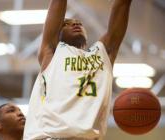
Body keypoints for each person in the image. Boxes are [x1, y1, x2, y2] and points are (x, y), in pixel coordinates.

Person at [24, 0, 132, 139]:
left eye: (79, 23)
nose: (75, 24)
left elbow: (121, 6)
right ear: (56, 32)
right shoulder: (51, 52)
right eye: (66, 24)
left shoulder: (103, 54)